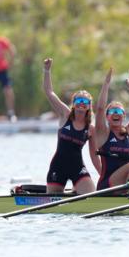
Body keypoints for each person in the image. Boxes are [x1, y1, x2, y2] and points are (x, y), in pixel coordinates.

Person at [42, 58, 99, 194]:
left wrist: (103, 175)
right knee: (53, 199)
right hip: (58, 166)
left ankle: (76, 191)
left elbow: (94, 155)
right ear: (74, 104)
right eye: (78, 100)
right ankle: (72, 192)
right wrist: (47, 70)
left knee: (91, 195)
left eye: (85, 101)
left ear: (89, 107)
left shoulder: (90, 128)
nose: (81, 103)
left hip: (78, 168)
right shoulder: (65, 115)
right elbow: (49, 92)